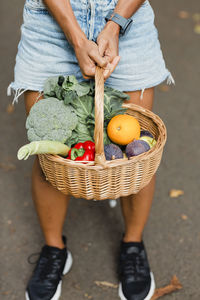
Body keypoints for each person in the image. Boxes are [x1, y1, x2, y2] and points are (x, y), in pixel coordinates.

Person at [8, 0, 174, 299]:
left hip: (128, 16)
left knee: (136, 154)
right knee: (50, 156)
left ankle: (132, 244)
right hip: (49, 19)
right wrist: (75, 35)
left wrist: (115, 23)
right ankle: (54, 248)